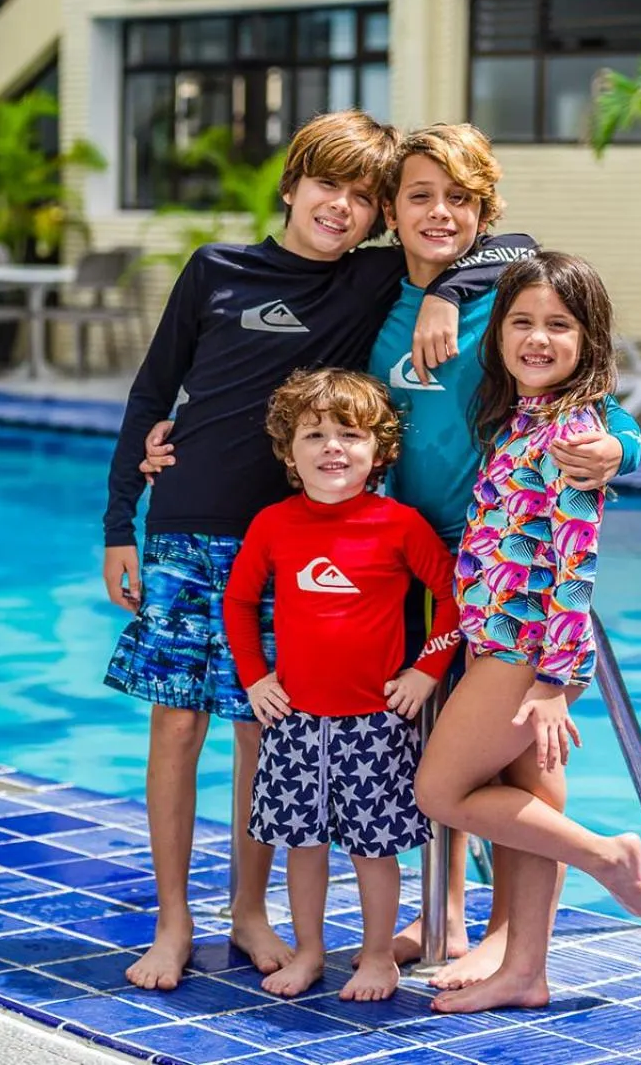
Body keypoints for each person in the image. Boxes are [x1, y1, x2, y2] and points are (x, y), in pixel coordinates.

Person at [142, 124, 641, 986]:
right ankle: (445, 910)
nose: (438, 214)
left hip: (505, 563)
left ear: (484, 211)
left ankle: (512, 937)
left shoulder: (506, 296)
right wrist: (168, 441)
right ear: (390, 212)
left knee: (520, 755)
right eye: (418, 197)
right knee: (426, 740)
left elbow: (591, 396)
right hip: (406, 561)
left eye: (460, 200)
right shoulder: (371, 296)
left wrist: (619, 448)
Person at [413, 251, 641, 1015]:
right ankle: (525, 972)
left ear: (590, 339)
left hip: (526, 655)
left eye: (559, 325)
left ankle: (605, 856)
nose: (538, 338)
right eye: (521, 322)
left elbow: (576, 563)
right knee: (526, 803)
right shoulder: (523, 416)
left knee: (441, 791)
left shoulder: (575, 433)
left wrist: (552, 682)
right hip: (507, 644)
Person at [223, 368, 462, 1003]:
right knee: (302, 847)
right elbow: (239, 602)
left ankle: (379, 955)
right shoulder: (273, 524)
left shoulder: (399, 524)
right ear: (289, 452)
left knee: (374, 851)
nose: (332, 447)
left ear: (379, 451)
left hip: (375, 724)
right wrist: (255, 678)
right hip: (293, 721)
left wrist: (426, 671)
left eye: (350, 434)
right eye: (314, 434)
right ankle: (309, 952)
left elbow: (453, 597)